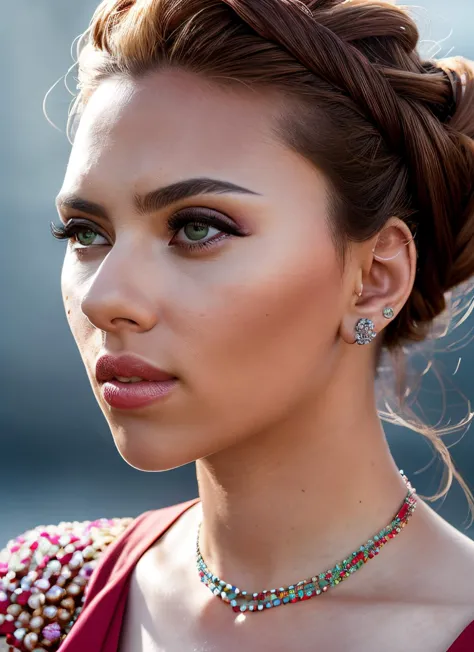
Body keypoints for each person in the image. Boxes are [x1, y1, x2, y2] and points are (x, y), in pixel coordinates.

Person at [2, 0, 474, 649]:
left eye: (197, 228)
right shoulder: (37, 601)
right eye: (87, 233)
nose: (104, 298)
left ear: (375, 278)